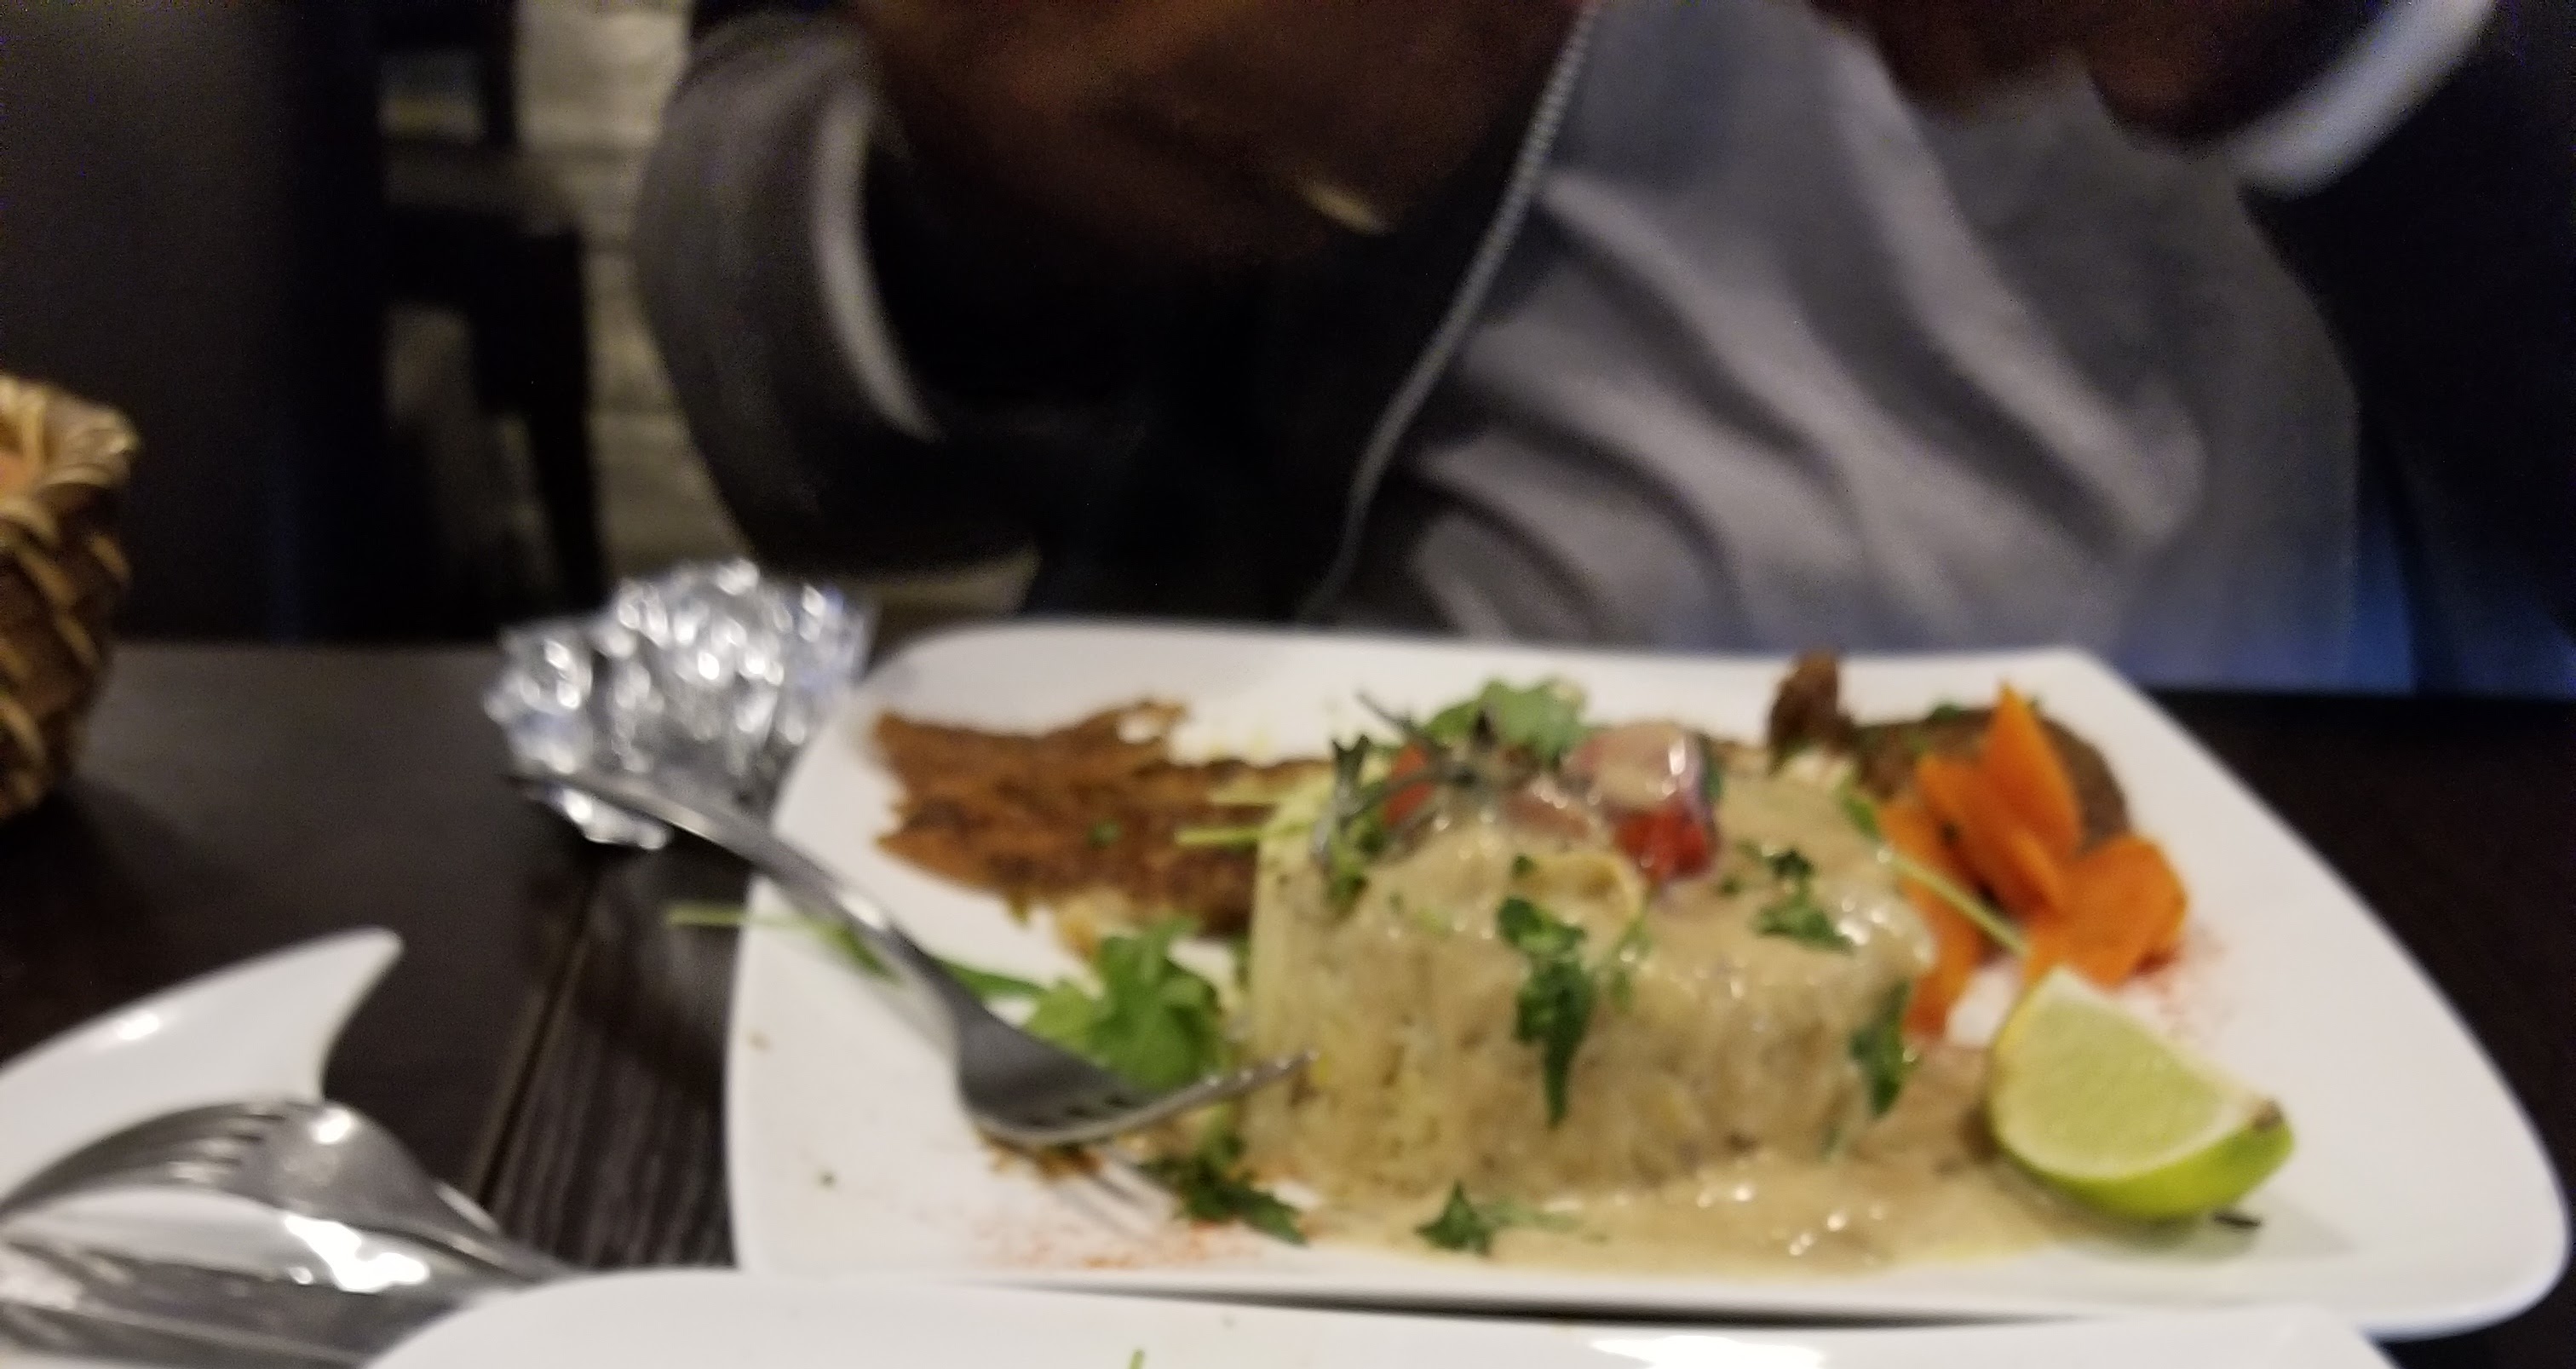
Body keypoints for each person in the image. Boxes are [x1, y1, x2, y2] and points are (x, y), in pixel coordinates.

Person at [635, 0, 2574, 689]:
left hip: (2344, 951)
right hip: (1264, 885)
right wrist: (993, 193)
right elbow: (772, 399)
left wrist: (2358, 55)